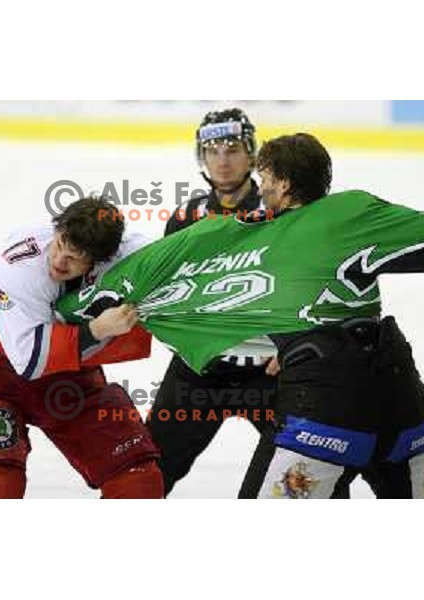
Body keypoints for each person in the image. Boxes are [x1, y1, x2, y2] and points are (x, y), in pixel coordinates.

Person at [55, 134, 424, 499]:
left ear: (286, 184)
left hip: (326, 397)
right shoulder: (346, 212)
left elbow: (192, 280)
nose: (260, 188)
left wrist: (74, 309)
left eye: (267, 180)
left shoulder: (254, 235)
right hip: (400, 391)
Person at [0, 196, 164, 499]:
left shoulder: (131, 254)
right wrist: (98, 329)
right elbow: (29, 361)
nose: (58, 260)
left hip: (71, 376)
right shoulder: (20, 265)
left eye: (75, 256)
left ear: (101, 258)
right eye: (60, 244)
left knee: (138, 479)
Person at [148, 108, 281, 495]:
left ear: (252, 155)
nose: (222, 160)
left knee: (303, 477)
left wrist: (294, 347)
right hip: (199, 370)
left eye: (234, 148)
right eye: (212, 150)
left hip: (269, 374)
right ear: (200, 157)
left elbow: (304, 285)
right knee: (145, 476)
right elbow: (164, 294)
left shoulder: (281, 215)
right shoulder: (185, 218)